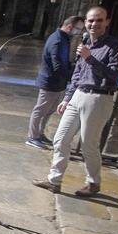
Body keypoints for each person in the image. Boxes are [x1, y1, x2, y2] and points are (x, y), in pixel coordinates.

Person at [33, 6, 118, 197]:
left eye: (99, 20)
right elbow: (78, 74)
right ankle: (54, 181)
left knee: (88, 144)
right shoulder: (86, 43)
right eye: (91, 20)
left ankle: (93, 183)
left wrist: (90, 59)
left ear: (107, 22)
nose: (94, 24)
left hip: (98, 97)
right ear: (85, 23)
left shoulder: (116, 46)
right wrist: (67, 98)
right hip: (78, 95)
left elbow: (113, 77)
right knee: (61, 139)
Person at [26, 15, 85, 150]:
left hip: (58, 82)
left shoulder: (64, 38)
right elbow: (57, 65)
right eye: (79, 29)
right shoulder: (57, 40)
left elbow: (64, 62)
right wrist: (72, 77)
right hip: (50, 81)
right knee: (40, 110)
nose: (79, 33)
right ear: (70, 27)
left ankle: (40, 133)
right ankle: (32, 137)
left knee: (49, 110)